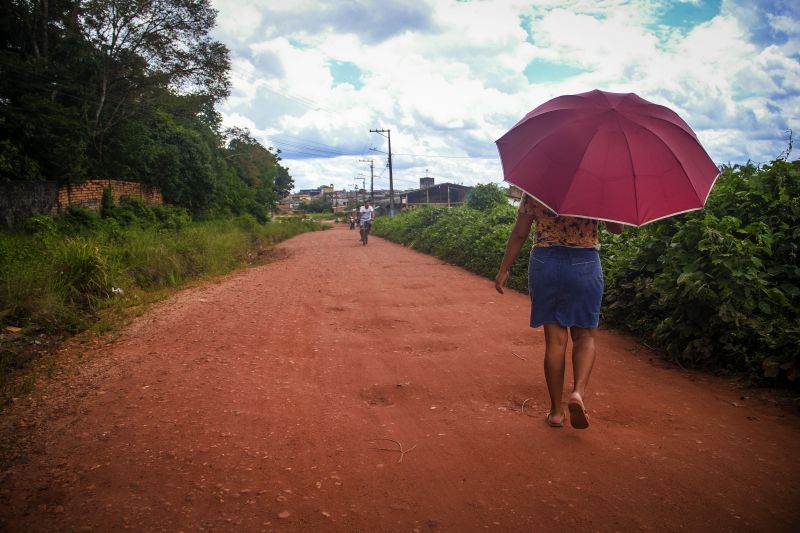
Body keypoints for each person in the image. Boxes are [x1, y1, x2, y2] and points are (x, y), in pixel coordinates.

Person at [495, 194, 623, 429]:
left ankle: (555, 412)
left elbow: (520, 233)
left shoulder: (536, 188)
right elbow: (616, 229)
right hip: (585, 263)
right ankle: (578, 393)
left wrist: (504, 269)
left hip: (546, 262)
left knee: (555, 341)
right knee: (585, 336)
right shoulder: (598, 186)